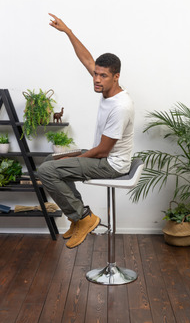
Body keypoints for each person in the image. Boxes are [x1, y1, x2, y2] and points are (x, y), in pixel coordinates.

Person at [37, 13, 135, 249]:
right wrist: (68, 31)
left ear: (116, 76)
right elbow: (87, 58)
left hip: (111, 163)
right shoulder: (106, 87)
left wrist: (77, 156)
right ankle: (78, 216)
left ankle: (83, 218)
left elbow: (102, 151)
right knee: (52, 159)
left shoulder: (121, 106)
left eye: (102, 75)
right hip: (102, 154)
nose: (96, 79)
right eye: (95, 74)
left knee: (47, 170)